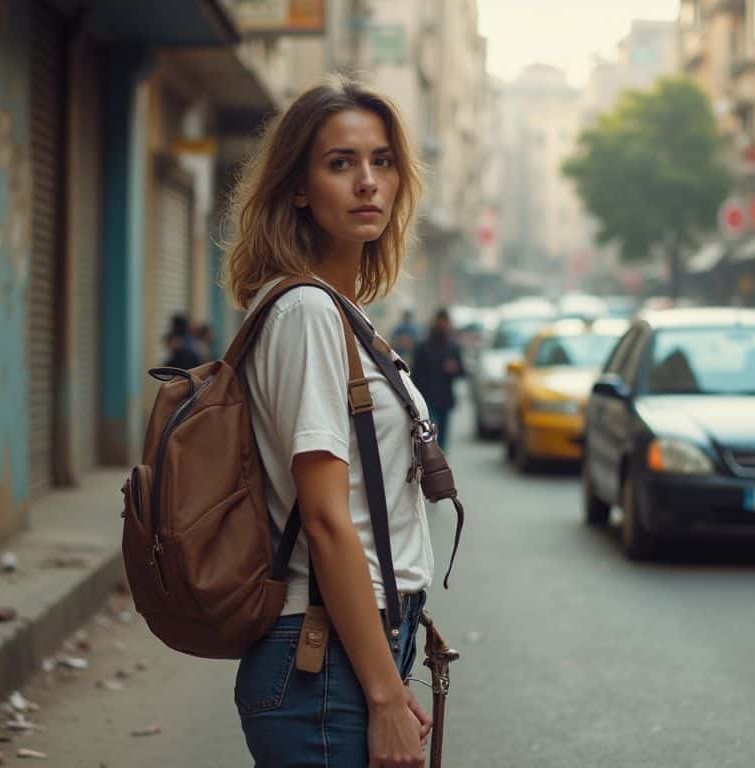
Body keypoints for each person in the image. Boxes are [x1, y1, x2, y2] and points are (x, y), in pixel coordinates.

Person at [222, 75, 433, 767]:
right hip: (325, 658)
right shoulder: (309, 313)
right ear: (299, 188)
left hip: (349, 643)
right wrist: (380, 694)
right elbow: (324, 517)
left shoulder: (337, 311)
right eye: (340, 163)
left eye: (382, 160)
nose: (367, 181)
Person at [411, 308, 464, 450]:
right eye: (440, 321)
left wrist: (454, 368)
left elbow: (461, 371)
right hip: (427, 397)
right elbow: (414, 373)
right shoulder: (424, 347)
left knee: (443, 436)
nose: (443, 325)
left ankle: (440, 463)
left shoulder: (452, 347)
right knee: (430, 434)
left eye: (445, 322)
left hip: (445, 398)